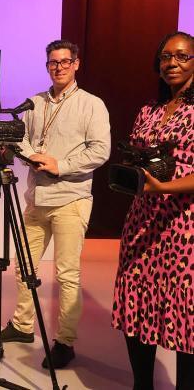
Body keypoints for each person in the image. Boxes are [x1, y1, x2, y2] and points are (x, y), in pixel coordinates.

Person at [0, 39, 111, 369]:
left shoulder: (91, 105)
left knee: (66, 274)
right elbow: (20, 138)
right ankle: (23, 325)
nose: (58, 68)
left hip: (71, 198)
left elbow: (100, 150)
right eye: (53, 63)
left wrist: (60, 164)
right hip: (36, 198)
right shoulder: (35, 102)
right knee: (23, 264)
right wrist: (28, 156)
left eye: (65, 62)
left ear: (77, 64)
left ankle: (65, 341)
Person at [112, 31, 193, 389]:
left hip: (185, 226)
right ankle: (141, 384)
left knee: (184, 309)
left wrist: (166, 187)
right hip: (142, 219)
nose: (171, 63)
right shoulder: (149, 110)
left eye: (181, 56)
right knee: (137, 300)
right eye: (165, 57)